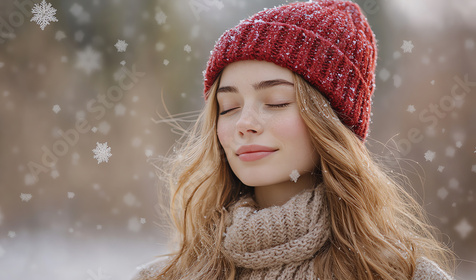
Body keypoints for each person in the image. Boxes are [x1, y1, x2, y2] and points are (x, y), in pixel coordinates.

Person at [132, 1, 455, 279]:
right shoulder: (162, 276)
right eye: (227, 108)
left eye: (276, 102)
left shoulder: (401, 275)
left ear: (332, 124)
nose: (245, 123)